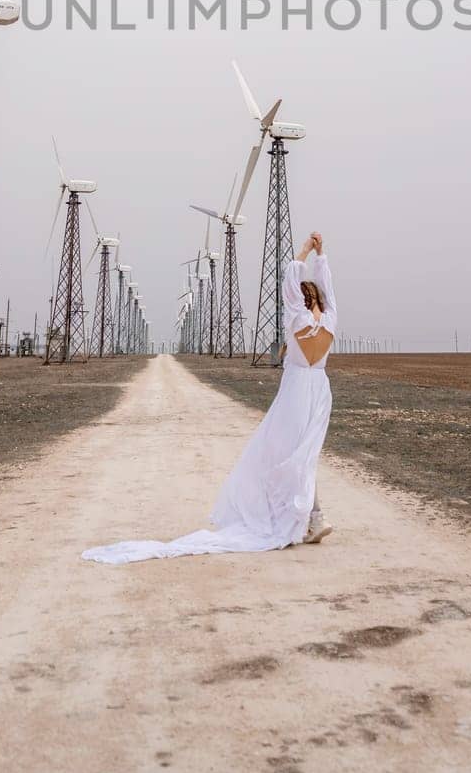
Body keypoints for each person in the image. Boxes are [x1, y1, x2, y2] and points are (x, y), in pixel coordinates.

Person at [82, 232, 338, 565]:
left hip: (295, 392)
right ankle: (313, 517)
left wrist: (305, 251)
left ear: (298, 301)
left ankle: (297, 518)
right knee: (305, 453)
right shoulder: (330, 319)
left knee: (281, 454)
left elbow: (291, 279)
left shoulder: (296, 318)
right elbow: (326, 290)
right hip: (320, 390)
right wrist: (322, 258)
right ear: (320, 300)